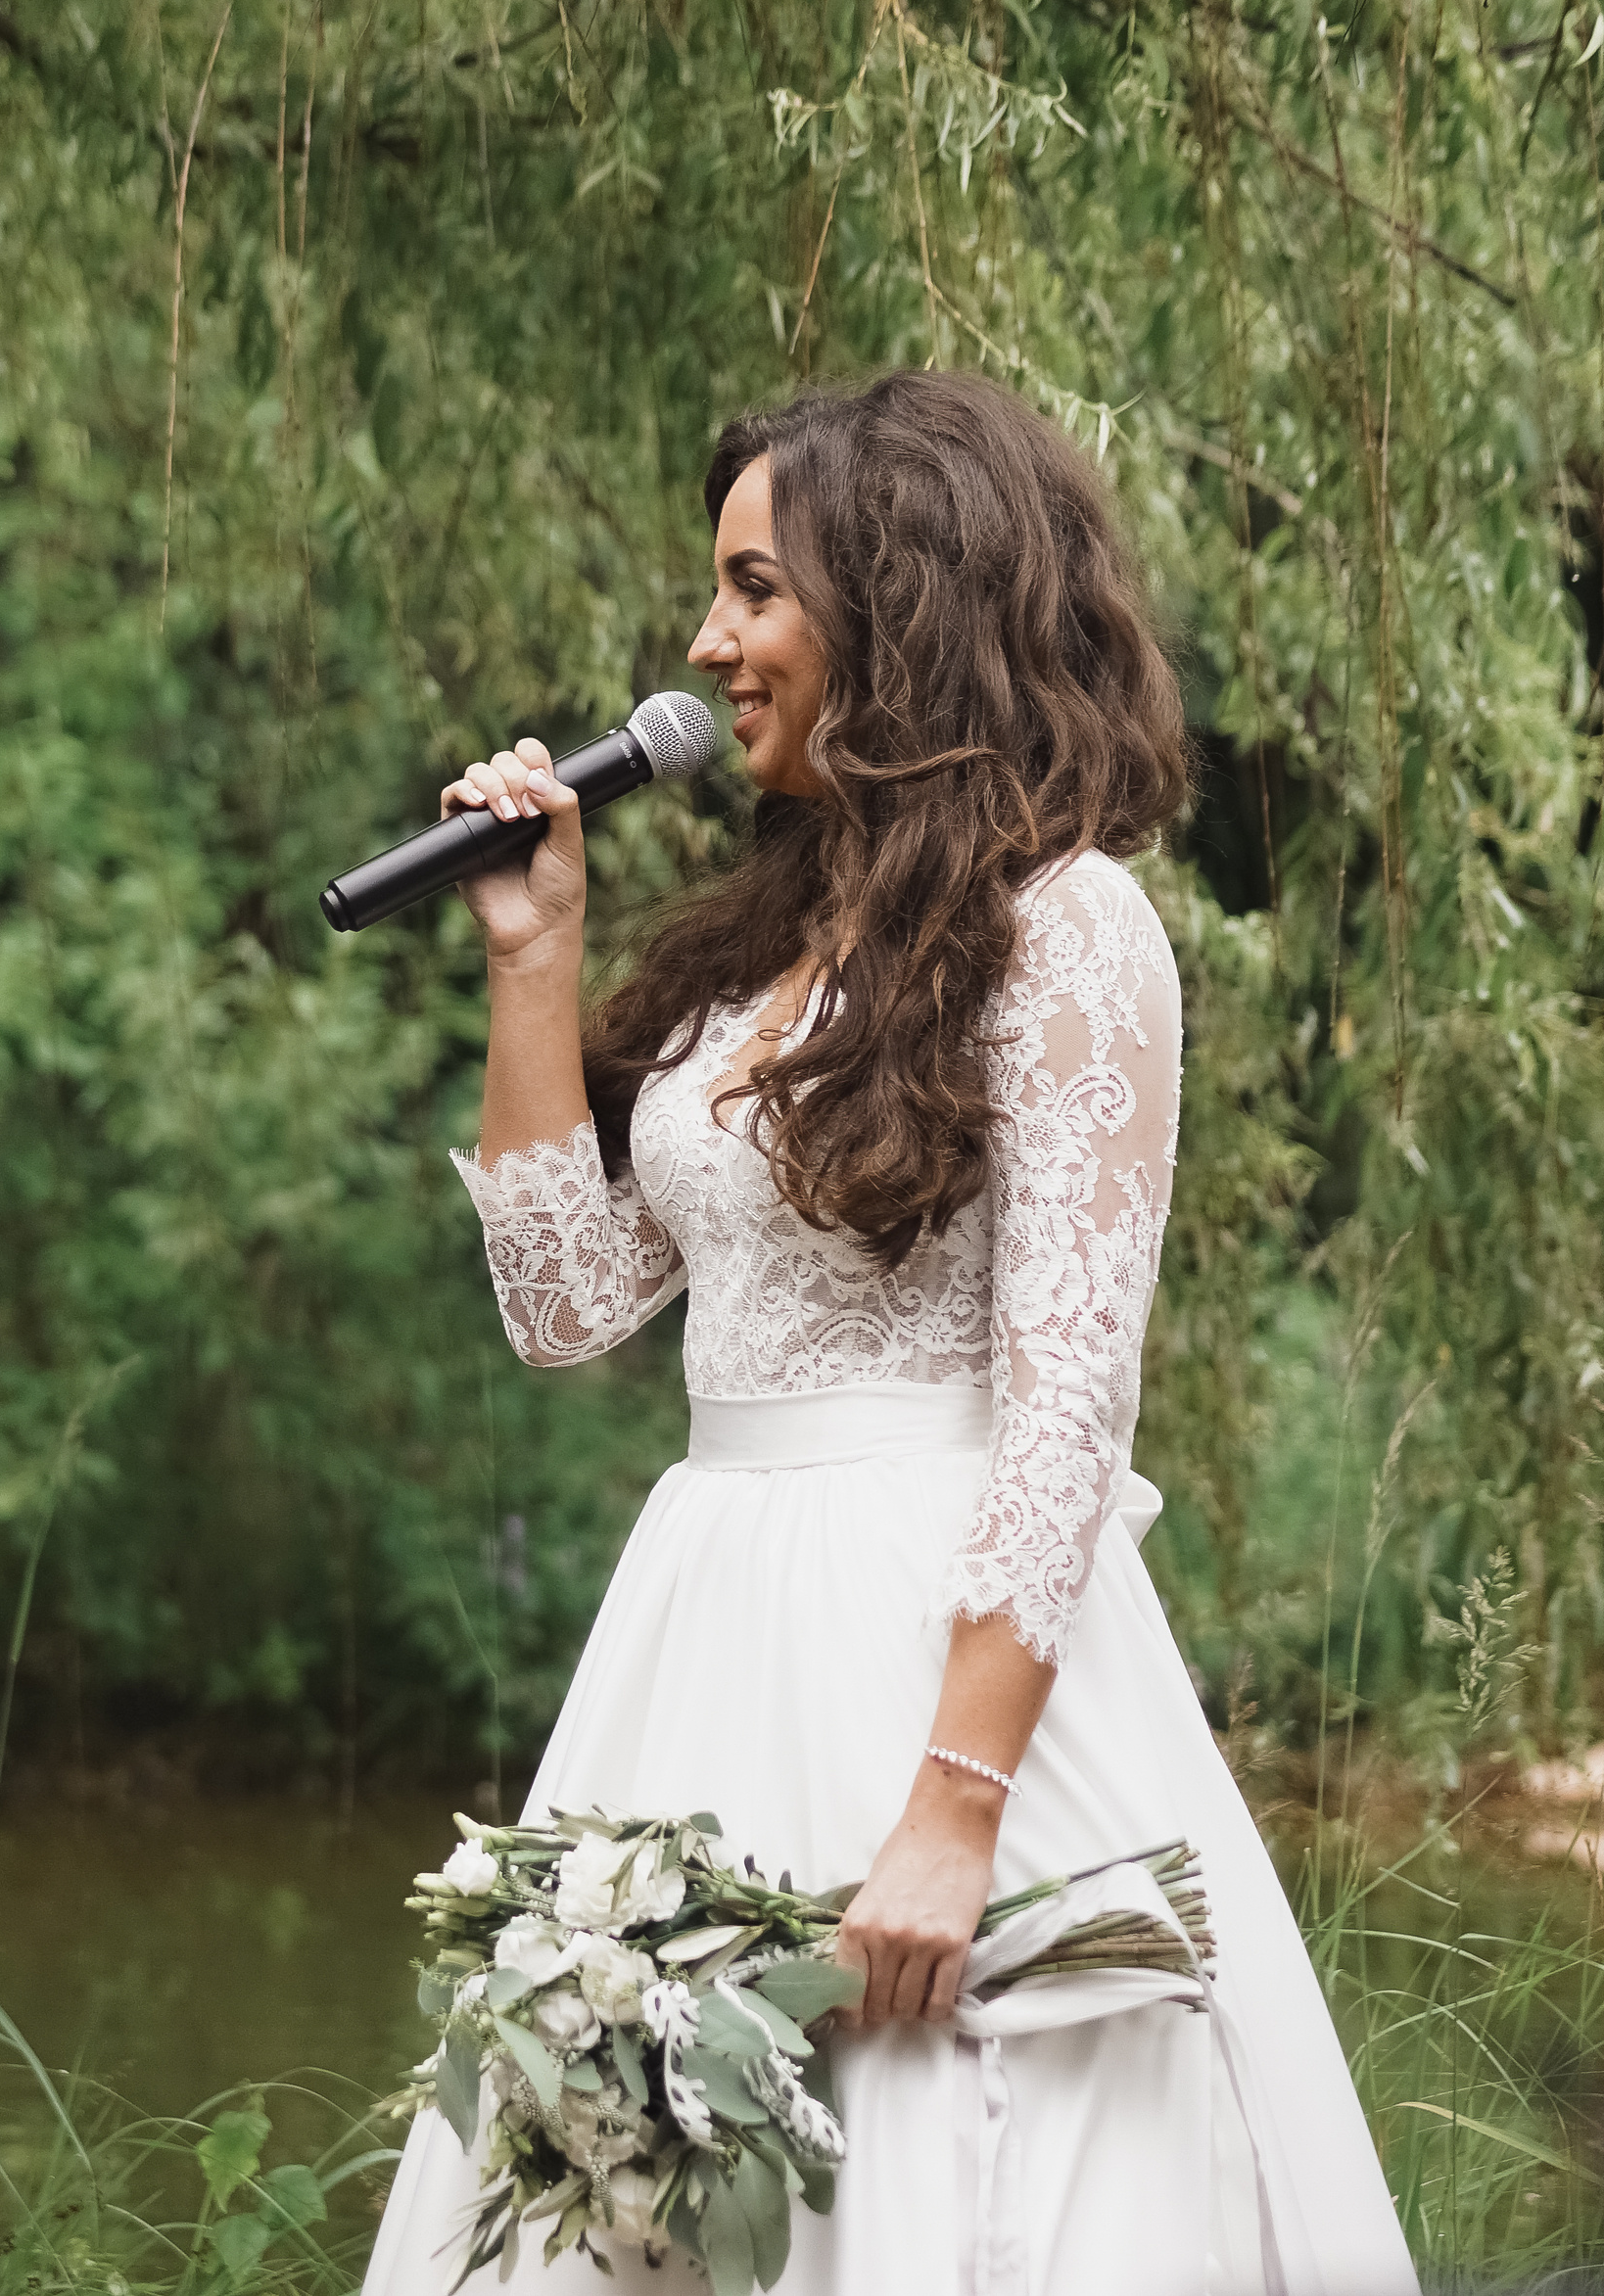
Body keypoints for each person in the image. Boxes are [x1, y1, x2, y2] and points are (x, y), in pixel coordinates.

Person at [361, 372, 1417, 2294]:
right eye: (716, 595)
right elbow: (562, 1303)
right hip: (703, 1626)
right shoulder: (750, 951)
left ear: (902, 603)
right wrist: (533, 962)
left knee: (952, 2177)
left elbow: (1067, 1402)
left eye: (752, 589)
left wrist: (950, 1813)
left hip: (937, 1661)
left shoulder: (1067, 927)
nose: (704, 642)